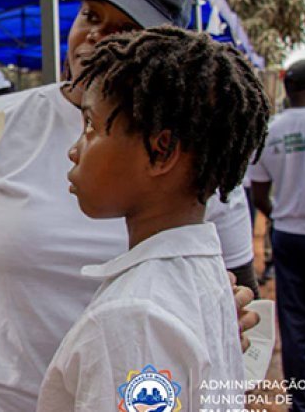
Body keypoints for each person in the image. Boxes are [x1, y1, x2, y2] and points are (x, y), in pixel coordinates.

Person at [0, 0, 259, 412]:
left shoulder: (198, 154)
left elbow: (239, 293)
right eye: (91, 16)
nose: (96, 37)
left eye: (126, 30)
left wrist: (221, 310)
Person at [36, 26, 269, 410]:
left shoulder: (133, 319)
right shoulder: (203, 277)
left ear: (161, 152)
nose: (74, 151)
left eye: (92, 127)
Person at [247, 58, 305, 411]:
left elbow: (260, 191)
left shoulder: (272, 130)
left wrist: (279, 217)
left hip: (289, 239)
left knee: (294, 331)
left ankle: (302, 405)